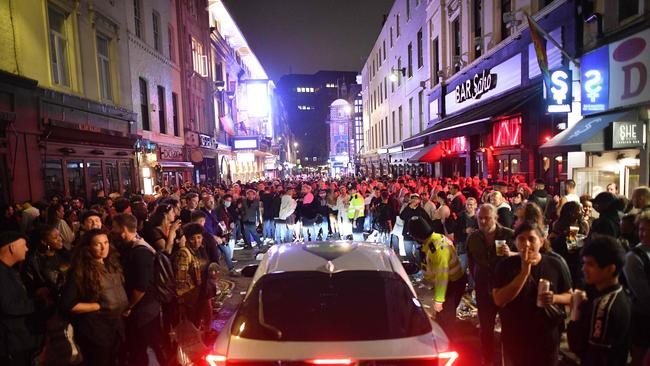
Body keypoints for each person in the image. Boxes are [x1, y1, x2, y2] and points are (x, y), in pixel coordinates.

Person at [492, 222, 572, 366]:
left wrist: (554, 298)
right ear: (515, 242)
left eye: (532, 239)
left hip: (546, 339)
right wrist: (524, 273)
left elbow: (569, 296)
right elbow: (499, 300)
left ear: (541, 241)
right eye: (521, 239)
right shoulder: (505, 266)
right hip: (515, 338)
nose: (527, 244)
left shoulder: (555, 264)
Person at [59, 229, 128, 366]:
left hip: (115, 327)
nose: (104, 247)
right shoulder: (79, 271)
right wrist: (98, 305)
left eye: (106, 242)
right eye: (98, 244)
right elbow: (68, 304)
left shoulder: (111, 264)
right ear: (88, 247)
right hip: (95, 331)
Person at [111, 213, 167, 365]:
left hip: (144, 309)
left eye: (114, 228)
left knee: (141, 349)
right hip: (142, 308)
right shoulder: (130, 246)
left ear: (123, 229)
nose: (112, 231)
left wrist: (129, 306)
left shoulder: (140, 251)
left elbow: (141, 287)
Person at [568, 235, 630, 366]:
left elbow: (589, 353)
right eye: (584, 263)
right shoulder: (616, 294)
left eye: (590, 264)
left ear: (610, 269)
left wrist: (575, 314)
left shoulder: (605, 306)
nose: (583, 269)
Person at [467, 204, 515, 366]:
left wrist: (511, 253)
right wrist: (474, 281)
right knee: (485, 329)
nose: (482, 221)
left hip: (504, 289)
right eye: (480, 218)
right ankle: (487, 359)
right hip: (483, 290)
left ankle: (508, 360)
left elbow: (522, 258)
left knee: (509, 329)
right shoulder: (473, 238)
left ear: (495, 218)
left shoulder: (509, 235)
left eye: (486, 218)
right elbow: (471, 261)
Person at [408, 216, 467, 333]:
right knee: (443, 316)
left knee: (446, 319)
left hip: (451, 285)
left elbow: (442, 276)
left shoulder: (437, 249)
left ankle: (447, 344)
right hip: (449, 283)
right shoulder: (435, 239)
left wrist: (439, 300)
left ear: (417, 236)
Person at [0, 232, 40, 366]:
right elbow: (8, 306)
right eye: (24, 245)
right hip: (11, 343)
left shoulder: (8, 270)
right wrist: (37, 303)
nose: (27, 248)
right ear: (12, 247)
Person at [623, 211, 650, 366]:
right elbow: (644, 296)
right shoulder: (633, 257)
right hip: (641, 317)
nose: (643, 233)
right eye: (641, 229)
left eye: (647, 229)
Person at [22, 225, 71, 303]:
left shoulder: (63, 254)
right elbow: (31, 288)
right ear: (43, 241)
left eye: (59, 235)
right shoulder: (33, 260)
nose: (60, 239)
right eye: (55, 237)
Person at [173, 223, 208, 325]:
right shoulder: (184, 254)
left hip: (197, 295)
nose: (197, 241)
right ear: (187, 239)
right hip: (189, 299)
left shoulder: (198, 251)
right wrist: (182, 303)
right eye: (193, 238)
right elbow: (180, 281)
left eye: (199, 237)